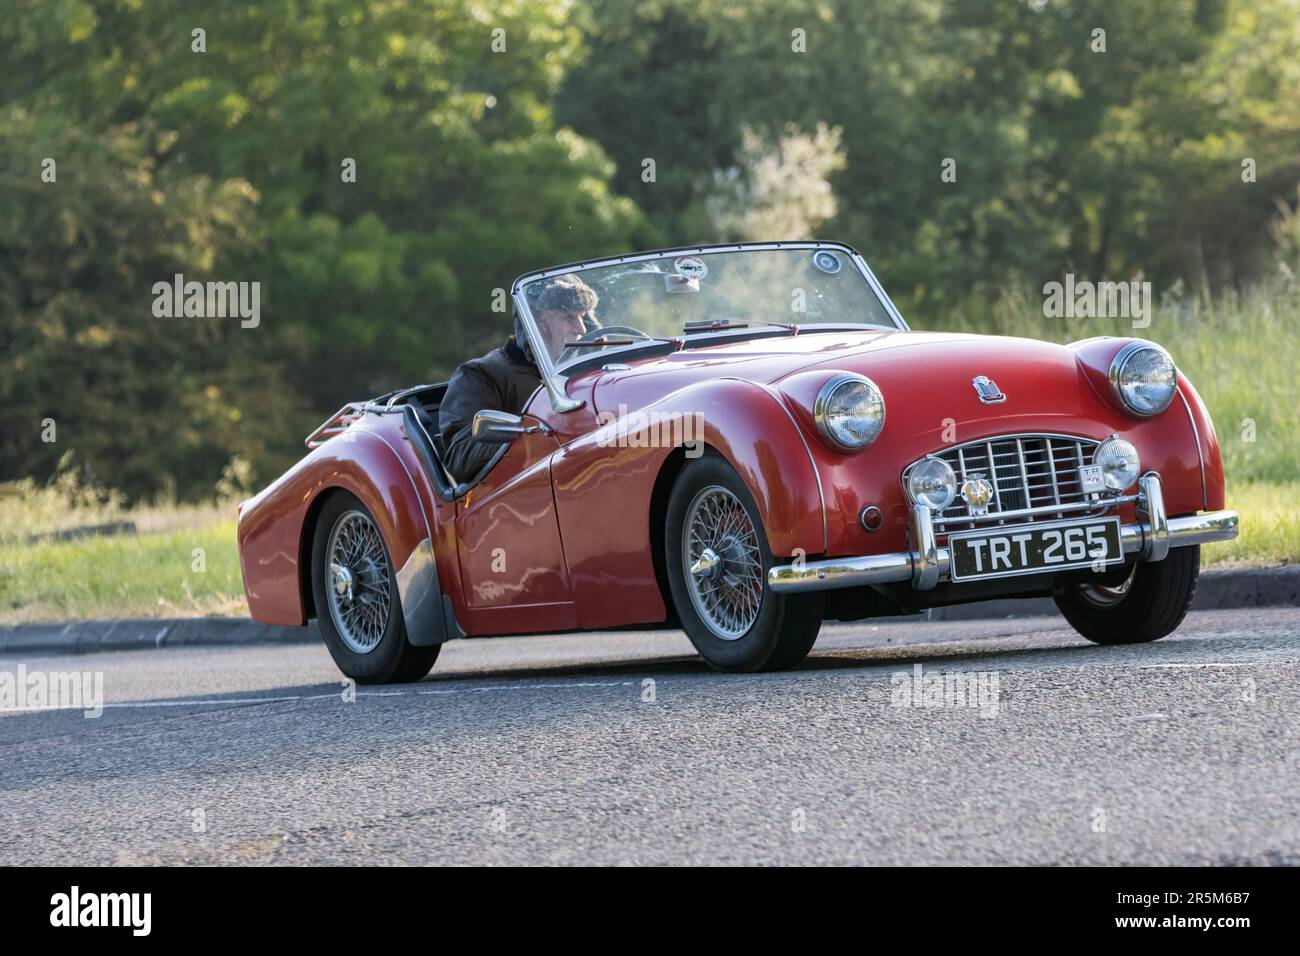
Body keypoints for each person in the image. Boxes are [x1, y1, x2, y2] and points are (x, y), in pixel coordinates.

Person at [438, 277, 598, 483]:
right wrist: (530, 440)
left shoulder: (591, 370)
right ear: (538, 324)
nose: (581, 329)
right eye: (568, 317)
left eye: (583, 317)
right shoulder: (481, 375)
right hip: (528, 499)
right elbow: (460, 457)